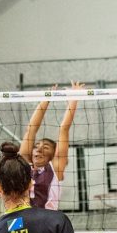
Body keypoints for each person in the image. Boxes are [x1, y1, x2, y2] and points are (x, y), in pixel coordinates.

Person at [19, 81, 84, 210]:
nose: (39, 149)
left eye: (46, 147)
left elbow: (64, 129)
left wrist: (73, 99)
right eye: (36, 146)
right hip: (24, 219)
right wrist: (46, 99)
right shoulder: (24, 165)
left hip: (47, 220)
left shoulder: (55, 168)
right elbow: (31, 129)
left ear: (53, 155)